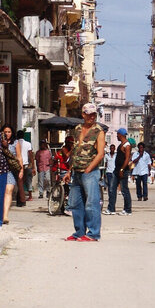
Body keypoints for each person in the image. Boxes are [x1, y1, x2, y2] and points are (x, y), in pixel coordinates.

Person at [65, 103, 105, 242]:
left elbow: (100, 154)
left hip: (90, 173)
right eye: (89, 114)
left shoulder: (99, 131)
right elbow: (75, 152)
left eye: (94, 114)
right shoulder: (77, 129)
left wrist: (89, 168)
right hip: (76, 171)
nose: (91, 117)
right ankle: (79, 232)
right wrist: (69, 171)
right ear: (83, 114)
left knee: (91, 204)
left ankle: (93, 233)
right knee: (76, 204)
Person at [114, 129, 133, 215]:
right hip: (117, 170)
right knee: (112, 188)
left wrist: (122, 169)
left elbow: (127, 159)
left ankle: (128, 209)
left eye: (117, 134)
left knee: (124, 190)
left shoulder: (127, 145)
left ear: (120, 135)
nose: (117, 136)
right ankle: (111, 208)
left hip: (123, 171)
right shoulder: (121, 144)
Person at [18, 130, 34, 201]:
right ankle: (30, 196)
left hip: (18, 164)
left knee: (20, 180)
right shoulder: (28, 144)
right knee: (28, 180)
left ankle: (21, 196)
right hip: (26, 164)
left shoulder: (15, 143)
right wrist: (33, 166)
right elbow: (31, 155)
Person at [103, 144, 118, 214]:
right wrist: (104, 174)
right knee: (110, 189)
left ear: (114, 149)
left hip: (114, 173)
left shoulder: (116, 155)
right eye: (111, 148)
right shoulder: (107, 155)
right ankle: (111, 207)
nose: (112, 149)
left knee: (113, 189)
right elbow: (105, 164)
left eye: (113, 148)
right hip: (108, 173)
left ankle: (112, 208)